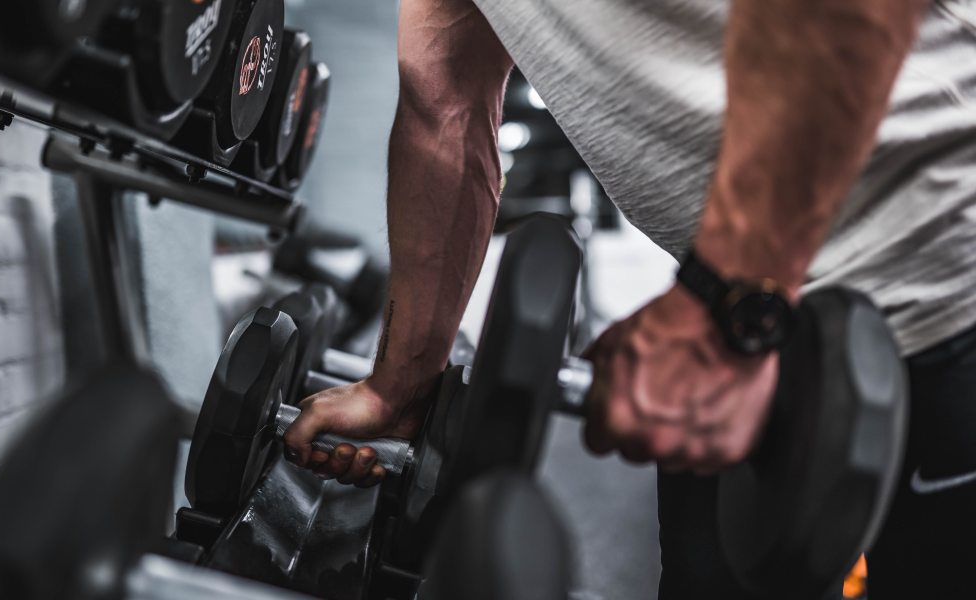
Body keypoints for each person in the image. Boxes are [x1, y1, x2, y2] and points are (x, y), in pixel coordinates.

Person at [285, 0, 976, 597]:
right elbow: (445, 111)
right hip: (762, 315)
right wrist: (400, 386)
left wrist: (726, 306)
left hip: (944, 274)